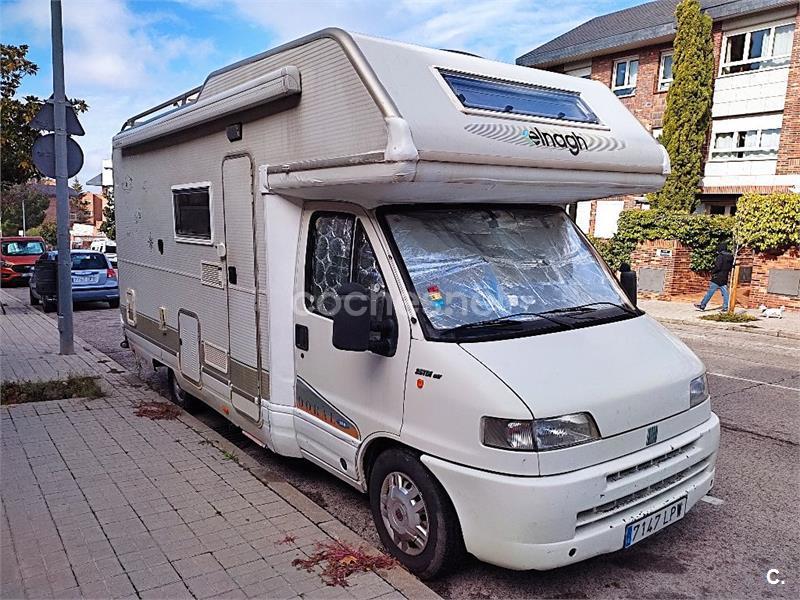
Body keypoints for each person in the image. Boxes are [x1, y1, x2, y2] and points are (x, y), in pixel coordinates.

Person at [695, 243, 734, 311]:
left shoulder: (720, 256)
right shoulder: (731, 257)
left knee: (710, 291)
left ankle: (702, 305)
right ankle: (725, 307)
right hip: (725, 276)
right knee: (725, 292)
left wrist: (713, 272)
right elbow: (730, 267)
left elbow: (717, 266)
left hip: (717, 277)